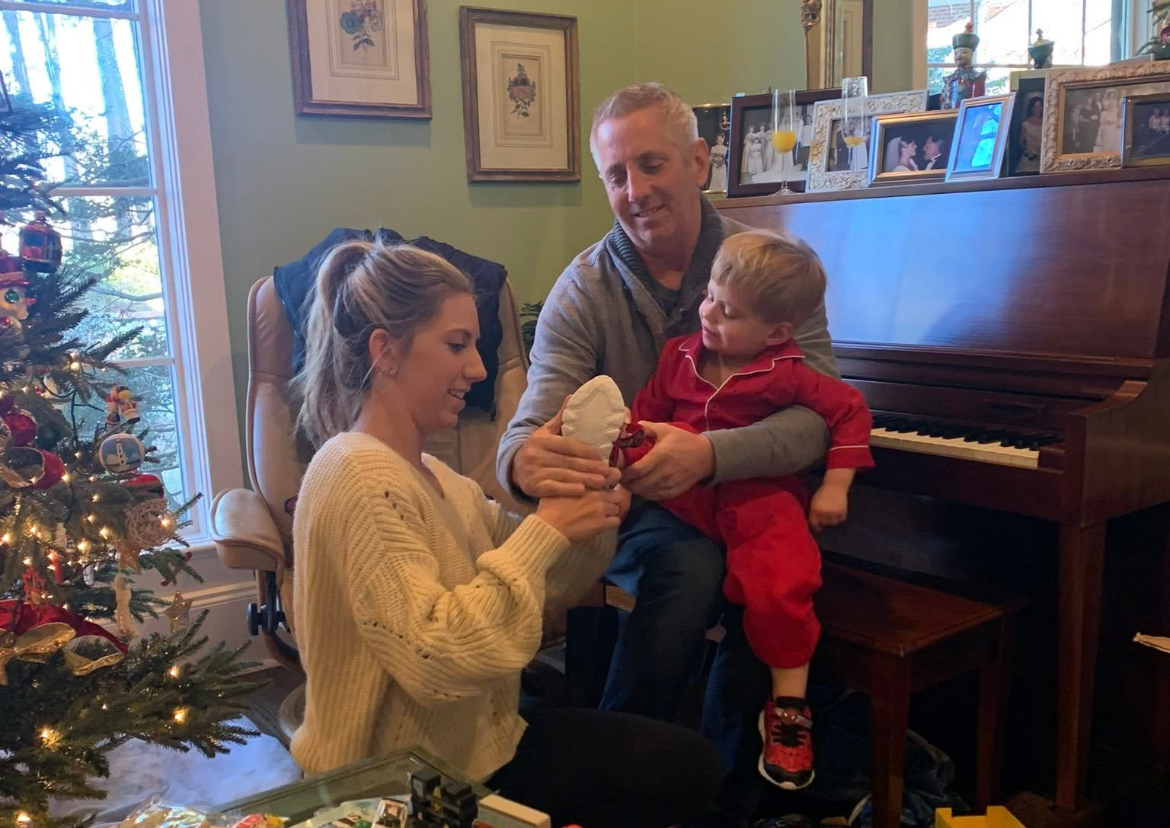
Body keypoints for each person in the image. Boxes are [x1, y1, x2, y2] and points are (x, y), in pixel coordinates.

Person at [288, 241, 723, 828]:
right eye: (457, 344)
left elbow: (549, 586)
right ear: (385, 350)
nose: (478, 368)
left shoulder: (440, 479)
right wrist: (545, 530)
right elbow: (436, 660)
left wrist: (587, 503)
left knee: (685, 766)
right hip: (394, 790)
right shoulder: (354, 473)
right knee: (675, 776)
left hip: (478, 752)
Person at [496, 82, 837, 820]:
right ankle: (614, 788)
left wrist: (711, 457)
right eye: (616, 175)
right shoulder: (583, 289)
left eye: (651, 165)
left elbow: (821, 418)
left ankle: (733, 793)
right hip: (636, 508)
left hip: (747, 492)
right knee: (690, 566)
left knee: (774, 569)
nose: (636, 190)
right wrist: (522, 462)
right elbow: (528, 428)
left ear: (698, 162)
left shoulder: (769, 267)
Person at [610, 230, 873, 790]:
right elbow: (643, 414)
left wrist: (836, 486)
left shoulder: (789, 370)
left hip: (757, 494)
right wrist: (627, 455)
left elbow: (849, 411)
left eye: (727, 312)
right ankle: (626, 763)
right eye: (709, 296)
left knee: (780, 584)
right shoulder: (680, 355)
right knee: (687, 571)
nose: (708, 313)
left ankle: (789, 710)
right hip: (686, 497)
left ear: (776, 332)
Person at [1017, 94, 1043, 173]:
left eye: (1039, 106)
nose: (1037, 109)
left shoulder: (1046, 123)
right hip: (1030, 159)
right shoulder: (1026, 124)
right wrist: (1029, 151)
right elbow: (1021, 143)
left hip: (1043, 159)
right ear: (1031, 108)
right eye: (1035, 107)